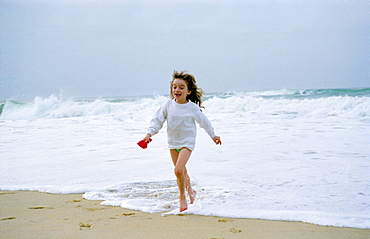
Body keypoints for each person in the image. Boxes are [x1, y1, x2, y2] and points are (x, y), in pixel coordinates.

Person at [142, 70, 222, 212]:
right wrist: (149, 134)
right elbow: (157, 120)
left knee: (178, 170)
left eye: (181, 87)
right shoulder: (167, 105)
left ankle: (182, 197)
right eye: (174, 87)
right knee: (183, 172)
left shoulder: (192, 108)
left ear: (188, 91)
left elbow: (205, 122)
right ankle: (191, 192)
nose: (177, 90)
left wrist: (213, 135)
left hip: (187, 143)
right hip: (173, 143)